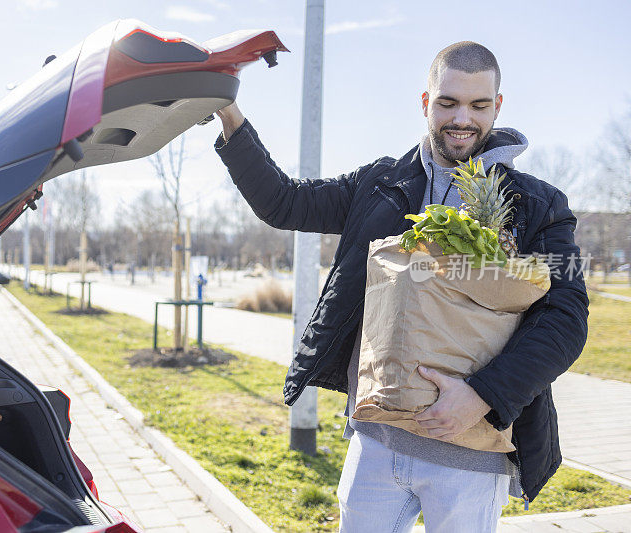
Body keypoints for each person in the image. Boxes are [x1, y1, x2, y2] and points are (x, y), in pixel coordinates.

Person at [213, 41, 588, 533]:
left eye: (478, 106)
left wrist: (482, 395)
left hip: (469, 453)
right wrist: (225, 107)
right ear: (426, 102)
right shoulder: (381, 184)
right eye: (448, 102)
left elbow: (566, 319)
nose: (462, 119)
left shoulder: (537, 205)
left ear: (497, 107)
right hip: (375, 441)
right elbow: (283, 202)